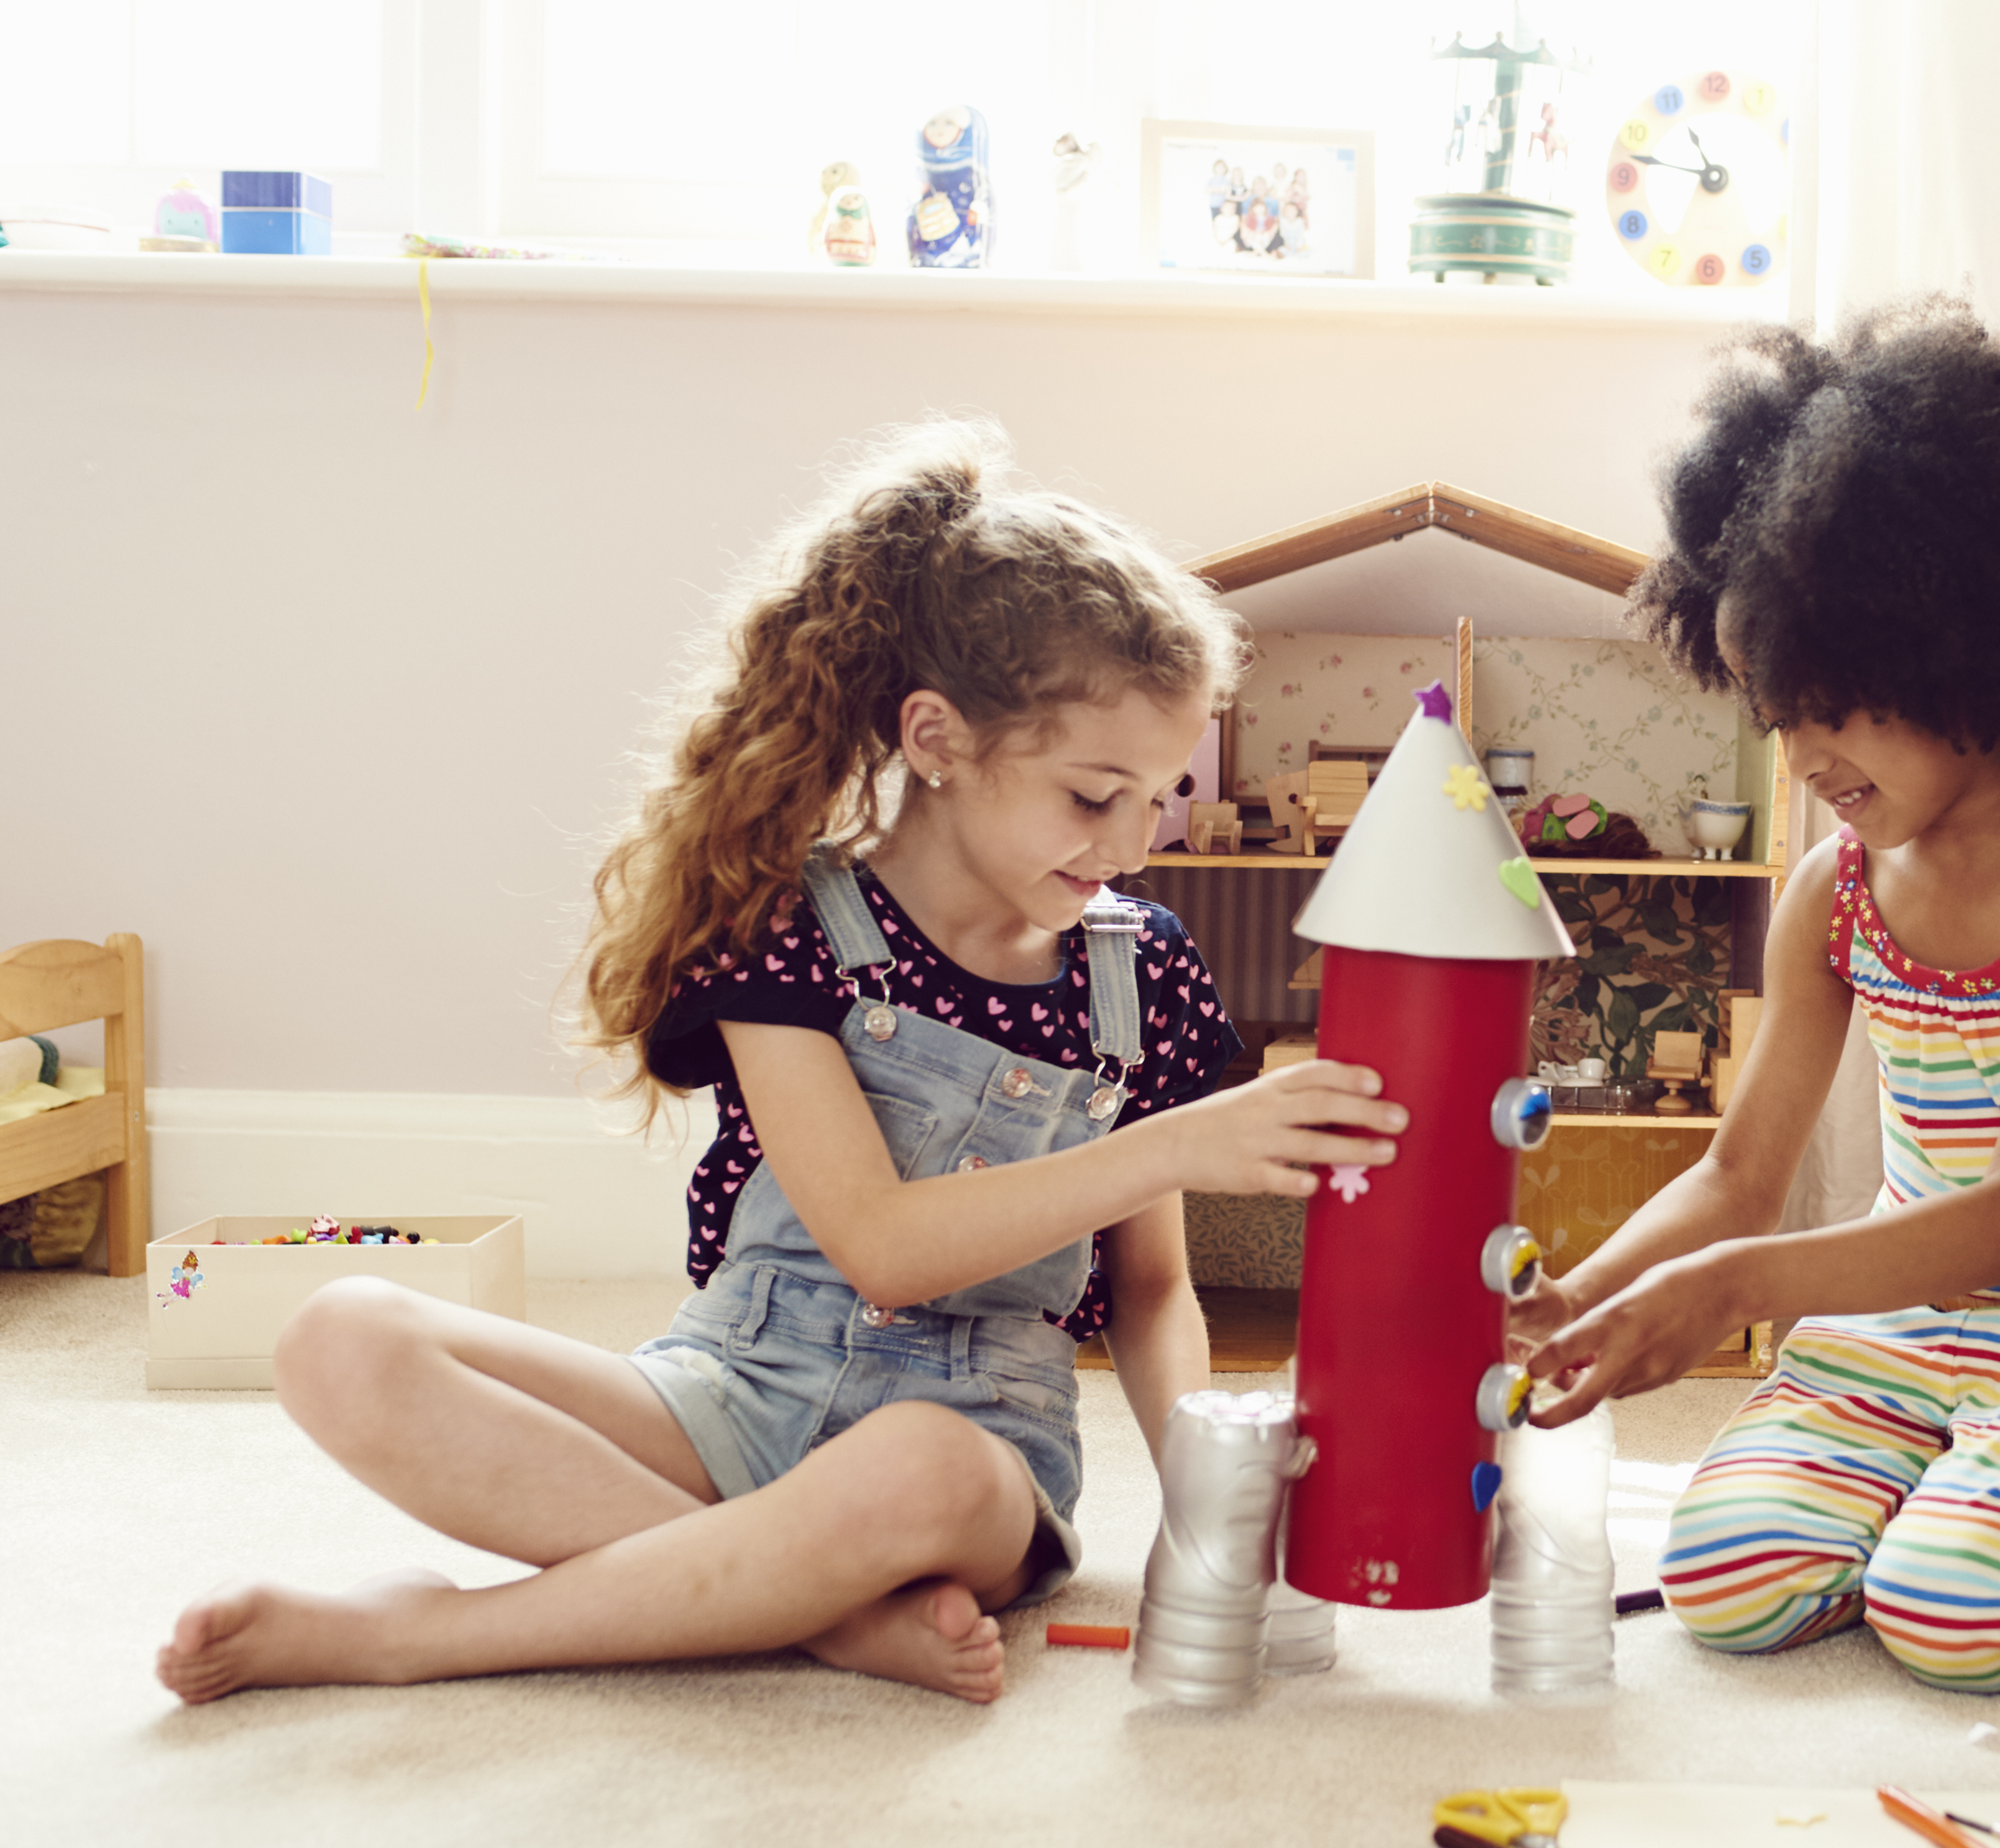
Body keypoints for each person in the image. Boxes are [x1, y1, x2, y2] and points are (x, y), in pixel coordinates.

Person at [157, 421, 1402, 1707]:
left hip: (973, 1449)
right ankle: (818, 1609)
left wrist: (1206, 1519)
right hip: (733, 1387)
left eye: (1161, 794)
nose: (1134, 842)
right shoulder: (791, 926)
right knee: (341, 1336)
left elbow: (1147, 1295)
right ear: (937, 737)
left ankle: (422, 1633)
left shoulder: (1139, 969)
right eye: (1095, 796)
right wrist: (1183, 1139)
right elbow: (878, 1242)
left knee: (916, 1465)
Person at [1512, 297, 2000, 1693]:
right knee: (1723, 1582)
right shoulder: (1835, 891)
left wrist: (1731, 1289)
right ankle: (1947, 1487)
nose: (1799, 755)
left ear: (1959, 648)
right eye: (1774, 710)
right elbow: (1740, 1171)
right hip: (1913, 1329)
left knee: (1955, 1618)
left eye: (1835, 706)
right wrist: (1586, 1297)